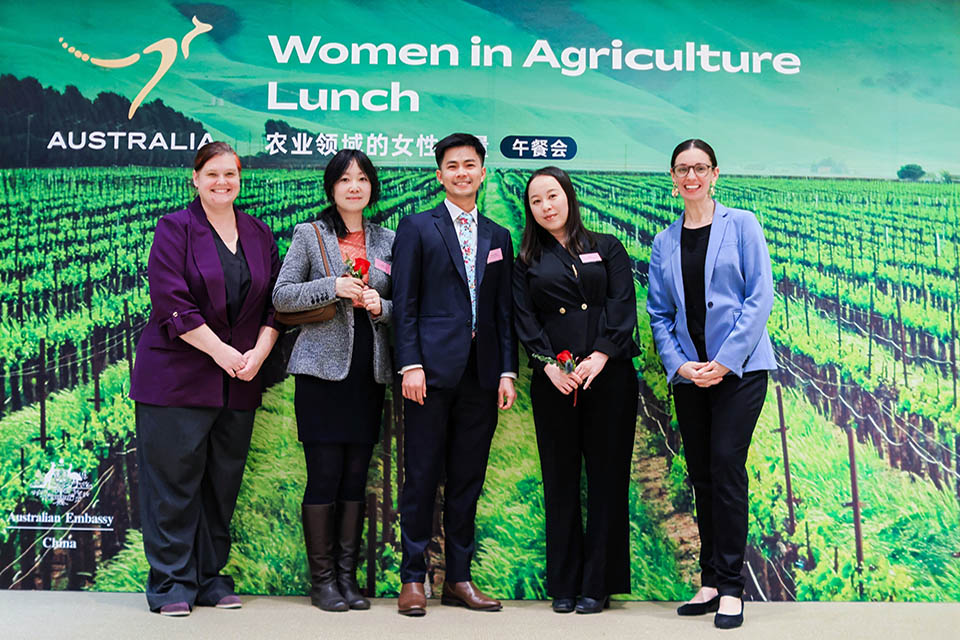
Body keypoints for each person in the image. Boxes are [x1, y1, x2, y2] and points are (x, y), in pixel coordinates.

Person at [130, 141, 281, 616]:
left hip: (239, 378)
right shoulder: (174, 229)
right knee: (174, 484)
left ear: (240, 179)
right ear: (195, 178)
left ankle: (209, 576)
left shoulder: (258, 233)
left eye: (230, 174)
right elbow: (171, 301)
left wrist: (258, 352)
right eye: (212, 174)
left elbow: (276, 301)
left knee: (221, 483)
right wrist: (222, 353)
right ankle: (171, 581)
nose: (222, 182)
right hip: (177, 379)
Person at [646, 139, 777, 629]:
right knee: (700, 473)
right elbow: (660, 312)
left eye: (699, 167)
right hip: (689, 376)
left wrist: (722, 362)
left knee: (725, 466)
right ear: (673, 177)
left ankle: (731, 586)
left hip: (739, 372)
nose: (691, 176)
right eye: (682, 168)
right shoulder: (664, 241)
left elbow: (758, 298)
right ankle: (708, 579)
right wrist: (679, 364)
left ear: (715, 174)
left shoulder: (741, 224)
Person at [392, 132, 518, 616]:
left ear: (483, 173)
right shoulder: (418, 228)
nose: (463, 172)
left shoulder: (497, 236)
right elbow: (404, 304)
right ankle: (413, 579)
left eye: (471, 164)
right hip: (428, 373)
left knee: (468, 479)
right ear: (439, 174)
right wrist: (411, 363)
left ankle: (459, 579)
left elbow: (502, 313)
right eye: (453, 165)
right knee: (421, 476)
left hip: (482, 377)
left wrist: (507, 371)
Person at [512, 166, 639, 614]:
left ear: (568, 196)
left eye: (553, 196)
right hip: (556, 383)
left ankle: (597, 584)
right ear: (529, 210)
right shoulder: (526, 260)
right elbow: (524, 319)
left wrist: (601, 355)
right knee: (560, 481)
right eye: (536, 201)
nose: (546, 206)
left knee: (607, 482)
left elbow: (623, 305)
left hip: (609, 379)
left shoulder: (607, 247)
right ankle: (564, 583)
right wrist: (548, 366)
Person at [272, 149, 393, 612]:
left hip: (369, 374)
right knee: (324, 475)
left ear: (371, 187)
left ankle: (347, 577)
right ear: (332, 188)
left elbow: (404, 302)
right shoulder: (310, 235)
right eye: (345, 179)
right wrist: (334, 287)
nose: (354, 186)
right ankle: (322, 581)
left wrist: (382, 307)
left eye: (362, 178)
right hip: (321, 375)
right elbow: (282, 296)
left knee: (356, 477)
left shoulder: (389, 240)